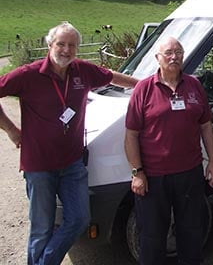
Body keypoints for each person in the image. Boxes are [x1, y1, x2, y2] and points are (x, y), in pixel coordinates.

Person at [0, 21, 138, 265]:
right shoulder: (27, 75)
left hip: (72, 165)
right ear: (50, 45)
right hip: (38, 166)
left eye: (71, 45)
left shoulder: (81, 70)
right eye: (61, 44)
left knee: (79, 219)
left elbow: (112, 77)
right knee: (42, 228)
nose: (66, 50)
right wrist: (11, 130)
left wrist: (143, 85)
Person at [124, 36, 213, 265]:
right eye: (168, 52)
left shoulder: (195, 86)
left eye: (178, 52)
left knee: (192, 232)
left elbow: (206, 126)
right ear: (158, 57)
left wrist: (212, 162)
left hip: (190, 174)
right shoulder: (143, 89)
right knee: (152, 237)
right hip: (154, 178)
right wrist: (137, 172)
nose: (174, 56)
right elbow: (131, 135)